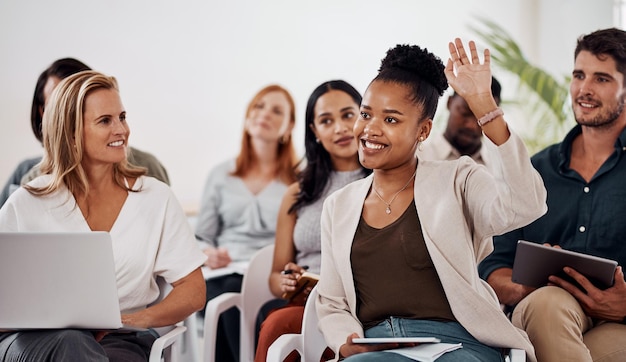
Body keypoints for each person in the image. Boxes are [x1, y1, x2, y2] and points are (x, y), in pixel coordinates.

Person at [315, 39, 547, 362]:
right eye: (365, 114)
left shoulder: (458, 179)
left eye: (391, 120)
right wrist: (346, 341)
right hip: (378, 349)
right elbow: (331, 301)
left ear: (423, 131)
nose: (370, 129)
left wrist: (484, 106)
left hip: (459, 345)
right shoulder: (338, 206)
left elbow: (526, 203)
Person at [0, 70, 206, 361]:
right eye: (105, 121)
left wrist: (138, 319)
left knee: (81, 349)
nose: (121, 130)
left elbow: (194, 289)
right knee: (72, 342)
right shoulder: (27, 202)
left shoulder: (155, 199)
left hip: (121, 339)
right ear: (71, 133)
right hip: (32, 343)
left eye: (122, 117)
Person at [478, 27, 626, 362]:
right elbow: (493, 264)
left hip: (619, 323)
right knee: (547, 303)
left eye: (602, 79)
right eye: (579, 75)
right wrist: (523, 288)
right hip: (544, 312)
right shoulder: (535, 170)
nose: (584, 90)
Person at [254, 80, 371, 362]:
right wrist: (286, 283)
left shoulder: (385, 182)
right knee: (277, 325)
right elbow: (275, 274)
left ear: (365, 116)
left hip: (366, 303)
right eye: (326, 120)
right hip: (310, 302)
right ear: (315, 131)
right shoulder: (297, 193)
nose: (340, 128)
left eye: (348, 115)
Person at [195, 84, 298, 362]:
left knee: (265, 312)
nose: (264, 114)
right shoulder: (220, 175)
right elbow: (201, 237)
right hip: (225, 274)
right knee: (227, 299)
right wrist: (207, 254)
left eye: (277, 110)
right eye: (259, 106)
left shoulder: (301, 179)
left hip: (272, 277)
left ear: (289, 127)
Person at [0, 58, 170, 208]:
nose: (121, 129)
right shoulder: (30, 186)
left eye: (122, 117)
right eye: (58, 104)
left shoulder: (149, 173)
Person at [419, 76, 502, 172]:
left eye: (483, 118)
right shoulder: (416, 159)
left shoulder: (501, 170)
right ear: (449, 102)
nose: (471, 125)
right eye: (464, 113)